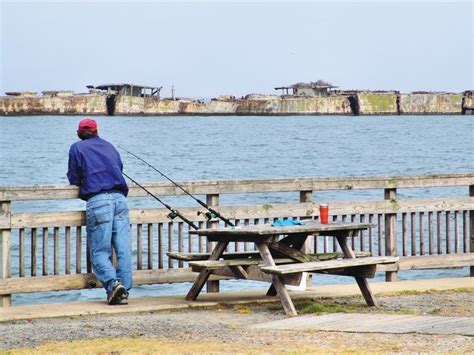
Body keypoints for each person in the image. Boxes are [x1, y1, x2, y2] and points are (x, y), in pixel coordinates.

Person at [67, 118, 132, 305]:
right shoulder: (110, 146)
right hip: (120, 200)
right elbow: (119, 168)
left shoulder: (77, 148)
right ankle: (124, 291)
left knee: (99, 252)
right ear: (97, 131)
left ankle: (113, 285)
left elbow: (74, 179)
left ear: (80, 133)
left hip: (98, 201)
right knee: (122, 250)